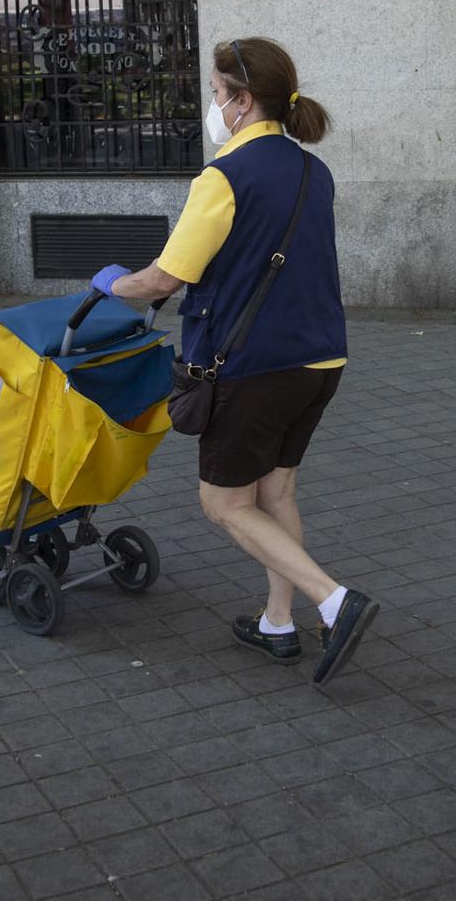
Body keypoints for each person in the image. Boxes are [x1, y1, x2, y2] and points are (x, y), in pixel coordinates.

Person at [90, 37, 378, 685]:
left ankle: (334, 600)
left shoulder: (224, 176)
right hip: (320, 359)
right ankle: (278, 621)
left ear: (244, 101)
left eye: (218, 94)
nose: (214, 106)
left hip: (252, 366)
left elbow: (166, 278)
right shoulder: (313, 170)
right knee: (275, 490)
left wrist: (113, 282)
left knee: (223, 502)